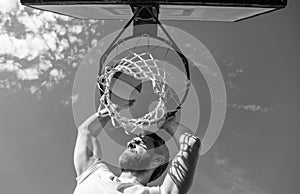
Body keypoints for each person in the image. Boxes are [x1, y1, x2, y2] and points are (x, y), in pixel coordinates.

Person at [73, 108, 201, 194]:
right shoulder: (93, 173)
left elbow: (191, 144)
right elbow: (85, 131)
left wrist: (169, 124)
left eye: (141, 142)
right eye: (133, 141)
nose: (130, 142)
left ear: (157, 159)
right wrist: (112, 108)